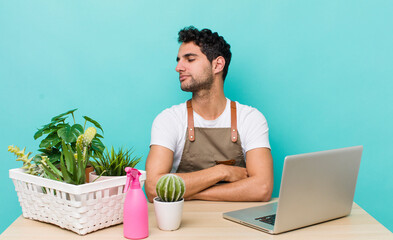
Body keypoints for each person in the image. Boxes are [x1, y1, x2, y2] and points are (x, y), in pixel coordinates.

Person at [145, 26, 273, 202]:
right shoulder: (168, 120)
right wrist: (221, 172)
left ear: (217, 65)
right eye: (178, 60)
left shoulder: (250, 118)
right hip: (182, 224)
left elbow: (262, 188)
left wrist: (193, 193)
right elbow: (153, 188)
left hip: (238, 225)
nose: (178, 67)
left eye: (190, 59)